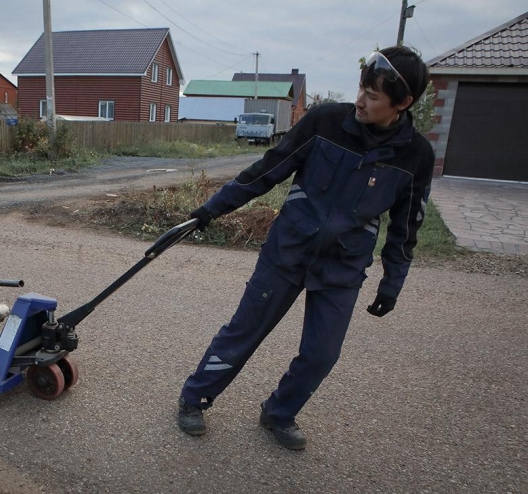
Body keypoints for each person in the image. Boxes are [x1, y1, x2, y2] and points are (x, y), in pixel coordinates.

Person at [177, 46, 434, 450]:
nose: (360, 100)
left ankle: (279, 412)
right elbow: (267, 170)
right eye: (361, 88)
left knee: (321, 355)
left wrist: (392, 283)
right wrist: (210, 210)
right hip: (288, 250)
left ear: (403, 104)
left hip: (343, 267)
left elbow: (406, 227)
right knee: (243, 333)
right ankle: (194, 398)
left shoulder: (415, 155)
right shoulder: (325, 122)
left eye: (372, 95)